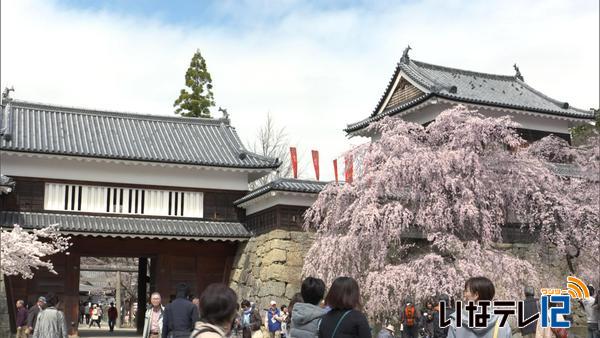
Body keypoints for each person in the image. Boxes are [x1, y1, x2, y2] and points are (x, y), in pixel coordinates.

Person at [447, 276, 511, 338]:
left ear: (476, 295)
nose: (464, 294)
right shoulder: (502, 322)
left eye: (466, 291)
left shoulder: (456, 320)